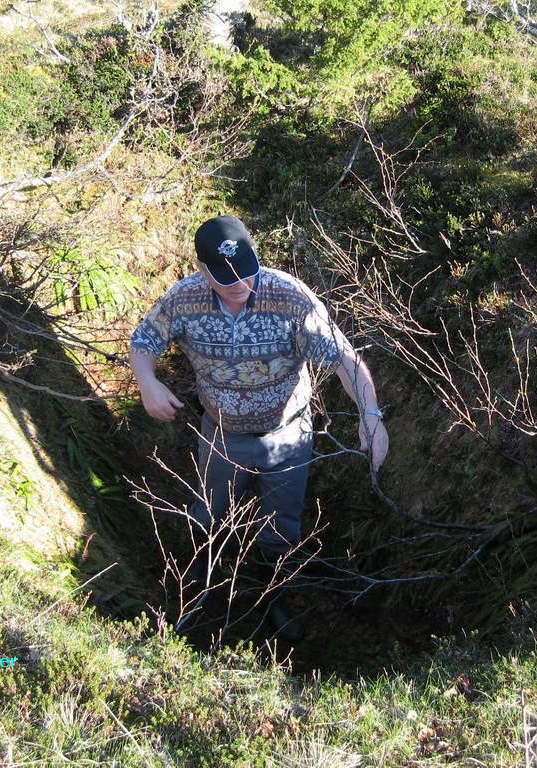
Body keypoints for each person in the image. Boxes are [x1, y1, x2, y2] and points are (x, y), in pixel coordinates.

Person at [129, 215, 389, 641]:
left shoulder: (290, 297)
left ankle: (274, 596)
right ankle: (197, 583)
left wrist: (370, 415)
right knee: (210, 511)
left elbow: (345, 359)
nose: (239, 284)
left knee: (282, 524)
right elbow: (144, 341)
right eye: (225, 276)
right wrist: (147, 382)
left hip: (287, 437)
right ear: (202, 269)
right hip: (221, 435)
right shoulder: (184, 298)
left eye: (246, 271)